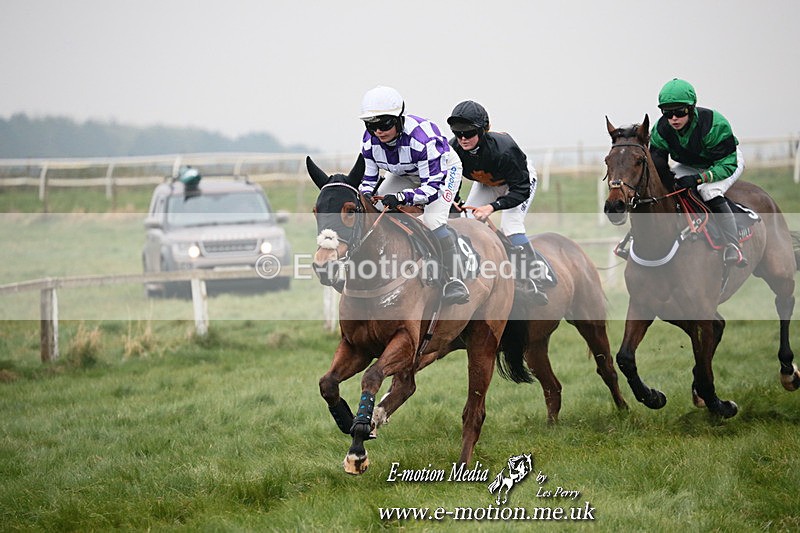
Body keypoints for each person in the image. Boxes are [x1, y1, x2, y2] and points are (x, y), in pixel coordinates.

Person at [357, 85, 469, 305]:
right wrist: (367, 194)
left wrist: (401, 198)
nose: (378, 131)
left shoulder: (422, 139)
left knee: (433, 220)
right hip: (407, 172)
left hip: (442, 173)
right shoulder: (369, 142)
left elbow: (430, 189)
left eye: (384, 124)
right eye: (371, 125)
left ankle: (454, 279)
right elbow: (368, 180)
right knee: (374, 210)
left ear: (399, 119)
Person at [446, 100, 550, 305]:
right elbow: (453, 177)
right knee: (467, 222)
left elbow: (521, 190)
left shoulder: (504, 150)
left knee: (511, 226)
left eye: (469, 133)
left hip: (518, 182)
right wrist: (455, 200)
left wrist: (493, 207)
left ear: (484, 130)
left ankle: (535, 274)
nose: (463, 138)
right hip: (487, 183)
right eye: (458, 133)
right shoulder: (454, 148)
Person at [650, 78, 747, 267]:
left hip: (726, 160)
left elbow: (726, 164)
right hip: (691, 163)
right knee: (670, 189)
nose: (674, 119)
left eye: (679, 112)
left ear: (692, 108)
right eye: (668, 113)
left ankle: (733, 245)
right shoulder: (661, 129)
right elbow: (658, 163)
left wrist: (699, 178)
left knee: (709, 191)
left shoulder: (714, 124)